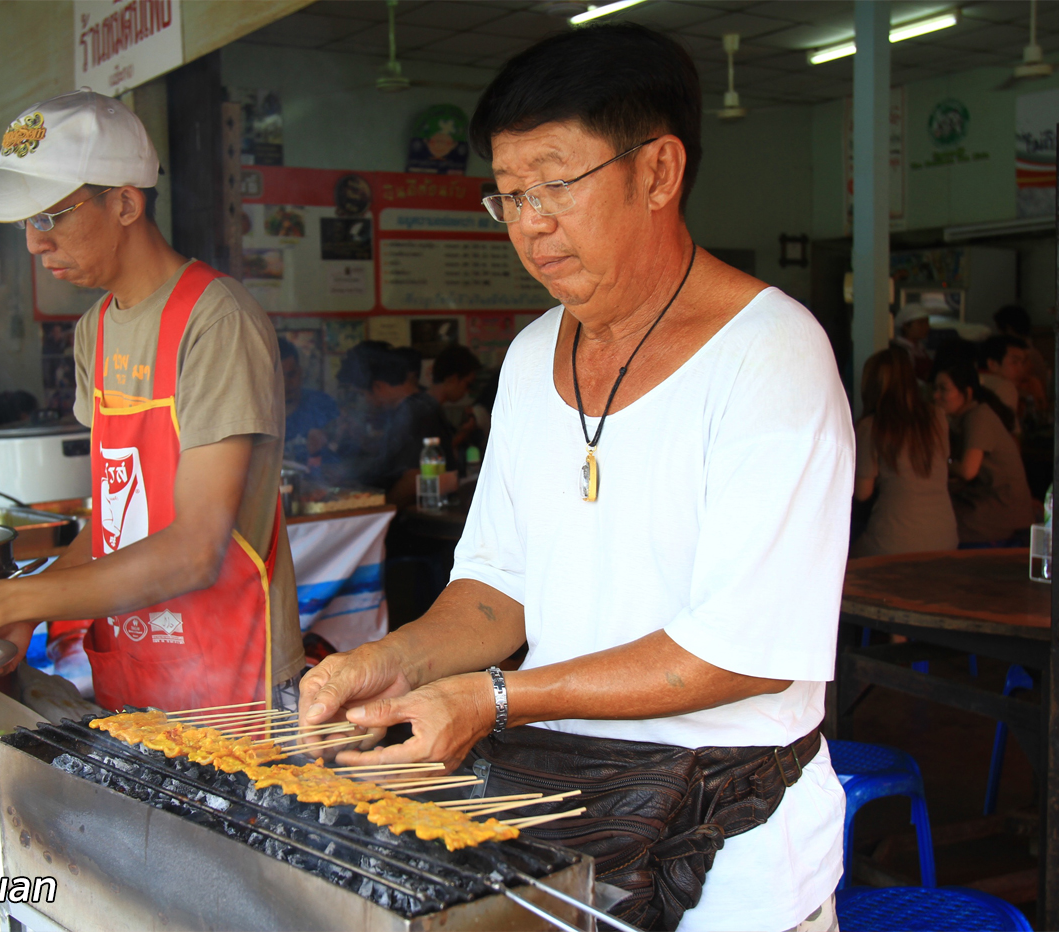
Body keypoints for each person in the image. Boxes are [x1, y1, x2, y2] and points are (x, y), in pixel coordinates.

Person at [298, 24, 851, 932]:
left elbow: (737, 653)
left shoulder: (771, 356)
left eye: (555, 183)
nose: (530, 224)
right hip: (559, 821)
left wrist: (498, 697)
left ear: (659, 172)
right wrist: (387, 663)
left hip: (732, 852)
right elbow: (499, 589)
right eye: (509, 195)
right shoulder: (526, 357)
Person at [0, 90, 303, 712]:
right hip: (136, 663)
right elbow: (111, 524)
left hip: (229, 676)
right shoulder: (95, 329)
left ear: (126, 203)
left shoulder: (215, 320)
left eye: (48, 217)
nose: (33, 243)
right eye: (26, 222)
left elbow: (195, 551)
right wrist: (33, 604)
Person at [852, 347, 957, 556]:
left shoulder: (871, 427)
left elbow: (863, 493)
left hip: (893, 540)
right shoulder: (937, 417)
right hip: (945, 538)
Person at [933, 361, 1033, 546]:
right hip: (989, 503)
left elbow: (967, 471)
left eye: (943, 389)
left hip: (1001, 512)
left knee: (937, 527)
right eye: (935, 389)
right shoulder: (964, 420)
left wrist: (939, 463)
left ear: (968, 393)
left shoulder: (979, 417)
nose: (936, 395)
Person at [337, 342, 449, 505]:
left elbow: (413, 479)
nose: (365, 402)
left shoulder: (415, 412)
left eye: (362, 394)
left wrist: (383, 511)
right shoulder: (411, 408)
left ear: (378, 386)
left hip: (416, 521)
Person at [278, 337, 338, 466]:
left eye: (291, 374)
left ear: (300, 372)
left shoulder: (322, 405)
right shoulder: (254, 414)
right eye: (277, 378)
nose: (286, 384)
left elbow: (342, 458)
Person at [429, 345, 484, 458]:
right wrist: (463, 434)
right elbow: (432, 454)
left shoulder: (433, 409)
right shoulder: (426, 412)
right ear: (452, 379)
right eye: (467, 384)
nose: (467, 391)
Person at [977, 334, 1025, 427]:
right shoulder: (1004, 387)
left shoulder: (972, 379)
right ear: (992, 364)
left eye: (1022, 363)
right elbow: (1011, 433)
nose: (1021, 370)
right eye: (1014, 362)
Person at [890, 303, 933, 380]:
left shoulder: (920, 347)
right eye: (921, 323)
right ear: (906, 326)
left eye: (927, 322)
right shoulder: (900, 349)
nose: (926, 327)